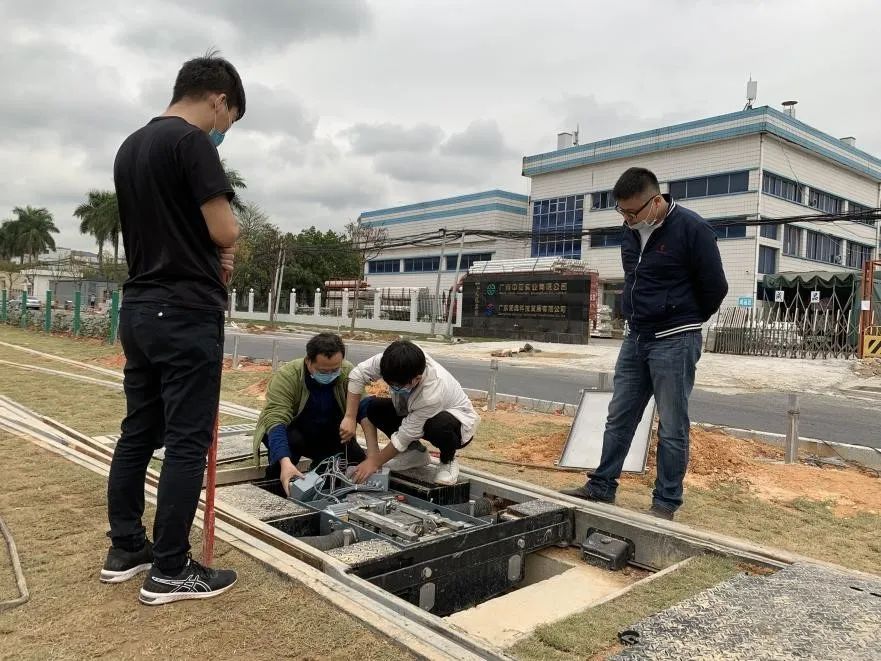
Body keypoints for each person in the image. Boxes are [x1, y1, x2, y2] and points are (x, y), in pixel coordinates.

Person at [102, 52, 245, 605]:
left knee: (138, 431)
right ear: (218, 99)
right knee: (187, 441)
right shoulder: (190, 143)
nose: (224, 130)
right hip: (186, 309)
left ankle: (125, 548)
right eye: (229, 118)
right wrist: (227, 249)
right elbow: (223, 227)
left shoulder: (130, 146)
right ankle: (169, 569)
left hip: (138, 307)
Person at [561, 167, 728, 520]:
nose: (627, 218)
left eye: (633, 212)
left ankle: (665, 503)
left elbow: (715, 287)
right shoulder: (630, 230)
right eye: (622, 212)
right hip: (636, 338)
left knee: (671, 425)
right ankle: (601, 486)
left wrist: (684, 319)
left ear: (656, 202)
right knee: (619, 417)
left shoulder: (692, 229)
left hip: (675, 341)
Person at [341, 340, 479, 486]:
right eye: (391, 384)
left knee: (438, 424)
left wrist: (373, 462)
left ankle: (448, 460)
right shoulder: (392, 361)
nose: (394, 389)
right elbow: (357, 375)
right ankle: (414, 453)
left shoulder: (432, 392)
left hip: (455, 426)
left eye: (398, 386)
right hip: (414, 412)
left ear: (417, 379)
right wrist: (349, 417)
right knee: (373, 407)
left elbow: (406, 434)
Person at [253, 333, 365, 493]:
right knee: (285, 454)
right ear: (308, 361)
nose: (329, 375)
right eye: (323, 371)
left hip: (326, 431)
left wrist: (373, 457)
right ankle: (274, 489)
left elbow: (365, 408)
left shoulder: (348, 372)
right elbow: (275, 420)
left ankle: (324, 490)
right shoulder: (288, 376)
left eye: (335, 370)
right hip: (293, 432)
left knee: (356, 460)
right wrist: (285, 462)